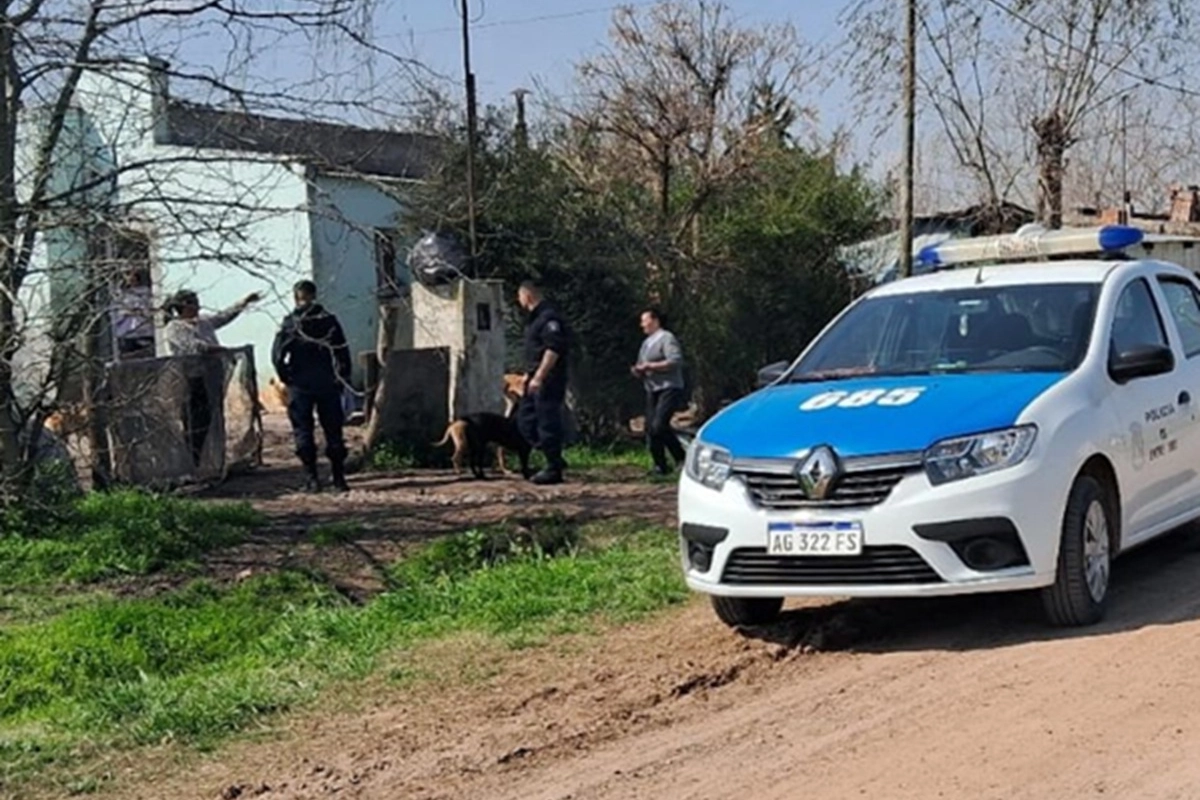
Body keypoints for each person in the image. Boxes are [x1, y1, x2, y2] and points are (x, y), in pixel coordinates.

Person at [162, 288, 261, 466]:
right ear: (184, 306)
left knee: (212, 420)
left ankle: (210, 461)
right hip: (190, 380)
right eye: (194, 303)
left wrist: (244, 302)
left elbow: (224, 316)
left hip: (211, 378)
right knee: (194, 422)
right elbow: (194, 347)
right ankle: (190, 462)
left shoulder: (203, 322)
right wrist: (221, 350)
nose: (198, 306)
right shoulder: (174, 328)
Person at [272, 280, 352, 493]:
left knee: (303, 430)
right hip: (326, 381)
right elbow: (342, 351)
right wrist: (342, 377)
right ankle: (338, 479)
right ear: (314, 295)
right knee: (333, 430)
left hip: (301, 383)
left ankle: (312, 479)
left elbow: (278, 354)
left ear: (295, 297)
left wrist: (286, 377)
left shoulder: (292, 323)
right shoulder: (328, 320)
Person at [516, 280, 571, 485]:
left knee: (547, 422)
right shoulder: (534, 319)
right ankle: (553, 456)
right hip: (533, 378)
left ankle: (553, 468)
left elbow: (552, 349)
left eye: (519, 296)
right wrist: (527, 374)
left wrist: (539, 376)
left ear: (527, 296)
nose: (518, 300)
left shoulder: (549, 318)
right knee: (525, 420)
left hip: (548, 379)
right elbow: (534, 351)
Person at [631, 307, 687, 476]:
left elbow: (675, 360)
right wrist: (638, 370)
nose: (642, 325)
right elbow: (642, 363)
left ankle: (681, 458)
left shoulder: (666, 338)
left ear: (655, 321)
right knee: (650, 428)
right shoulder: (646, 343)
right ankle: (660, 466)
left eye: (644, 320)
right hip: (652, 388)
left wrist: (651, 366)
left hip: (669, 387)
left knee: (659, 426)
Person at [111, 268, 155, 359]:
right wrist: (126, 312)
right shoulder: (119, 295)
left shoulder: (145, 292)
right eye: (127, 274)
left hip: (144, 332)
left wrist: (140, 311)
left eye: (133, 275)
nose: (131, 278)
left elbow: (150, 309)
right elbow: (114, 314)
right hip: (127, 334)